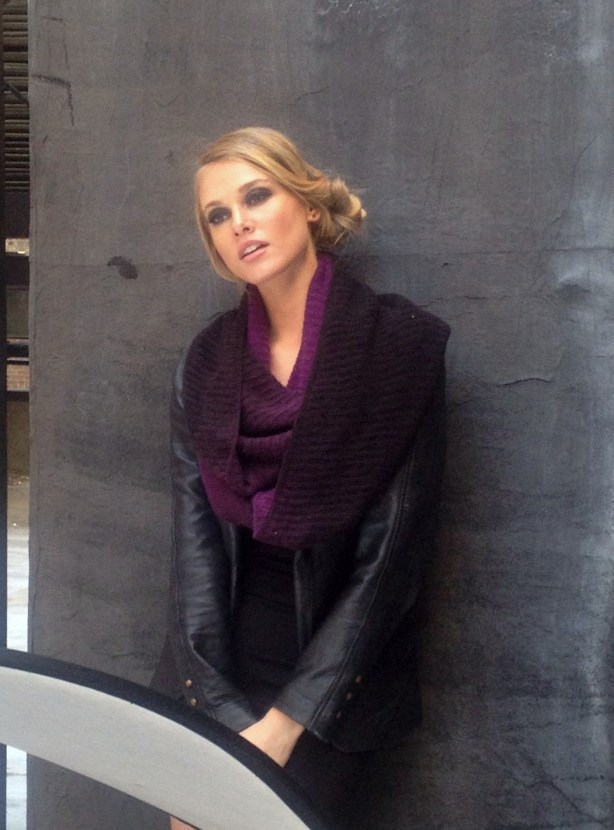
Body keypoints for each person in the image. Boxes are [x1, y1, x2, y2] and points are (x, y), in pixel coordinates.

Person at [157, 127, 450, 830]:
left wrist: (287, 723)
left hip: (337, 681)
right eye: (218, 215)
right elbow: (195, 548)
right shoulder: (204, 363)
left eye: (257, 196)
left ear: (310, 205)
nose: (239, 223)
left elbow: (391, 563)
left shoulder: (399, 349)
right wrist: (219, 709)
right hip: (216, 665)